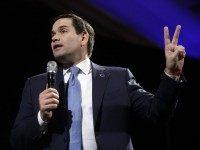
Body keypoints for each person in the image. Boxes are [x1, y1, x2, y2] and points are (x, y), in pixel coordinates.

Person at [10, 13, 186, 150]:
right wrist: (41, 117)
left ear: (83, 38)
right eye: (53, 34)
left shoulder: (119, 77)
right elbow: (17, 141)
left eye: (63, 31)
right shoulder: (35, 85)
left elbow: (156, 112)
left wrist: (172, 73)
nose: (54, 38)